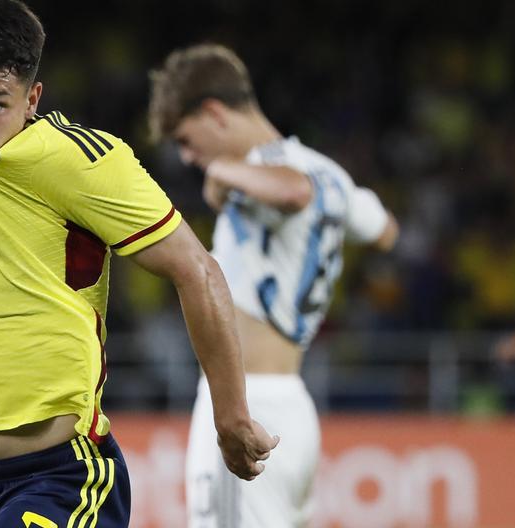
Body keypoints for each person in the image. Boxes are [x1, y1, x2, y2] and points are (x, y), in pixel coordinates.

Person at [0, 2, 277, 527]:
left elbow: (198, 269)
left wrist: (230, 416)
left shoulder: (83, 160)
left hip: (63, 475)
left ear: (32, 99)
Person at [149, 43, 399, 527]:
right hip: (294, 406)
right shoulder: (333, 175)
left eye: (186, 139)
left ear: (214, 113)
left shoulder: (264, 169)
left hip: (247, 406)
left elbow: (293, 191)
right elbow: (386, 230)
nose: (188, 157)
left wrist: (224, 171)